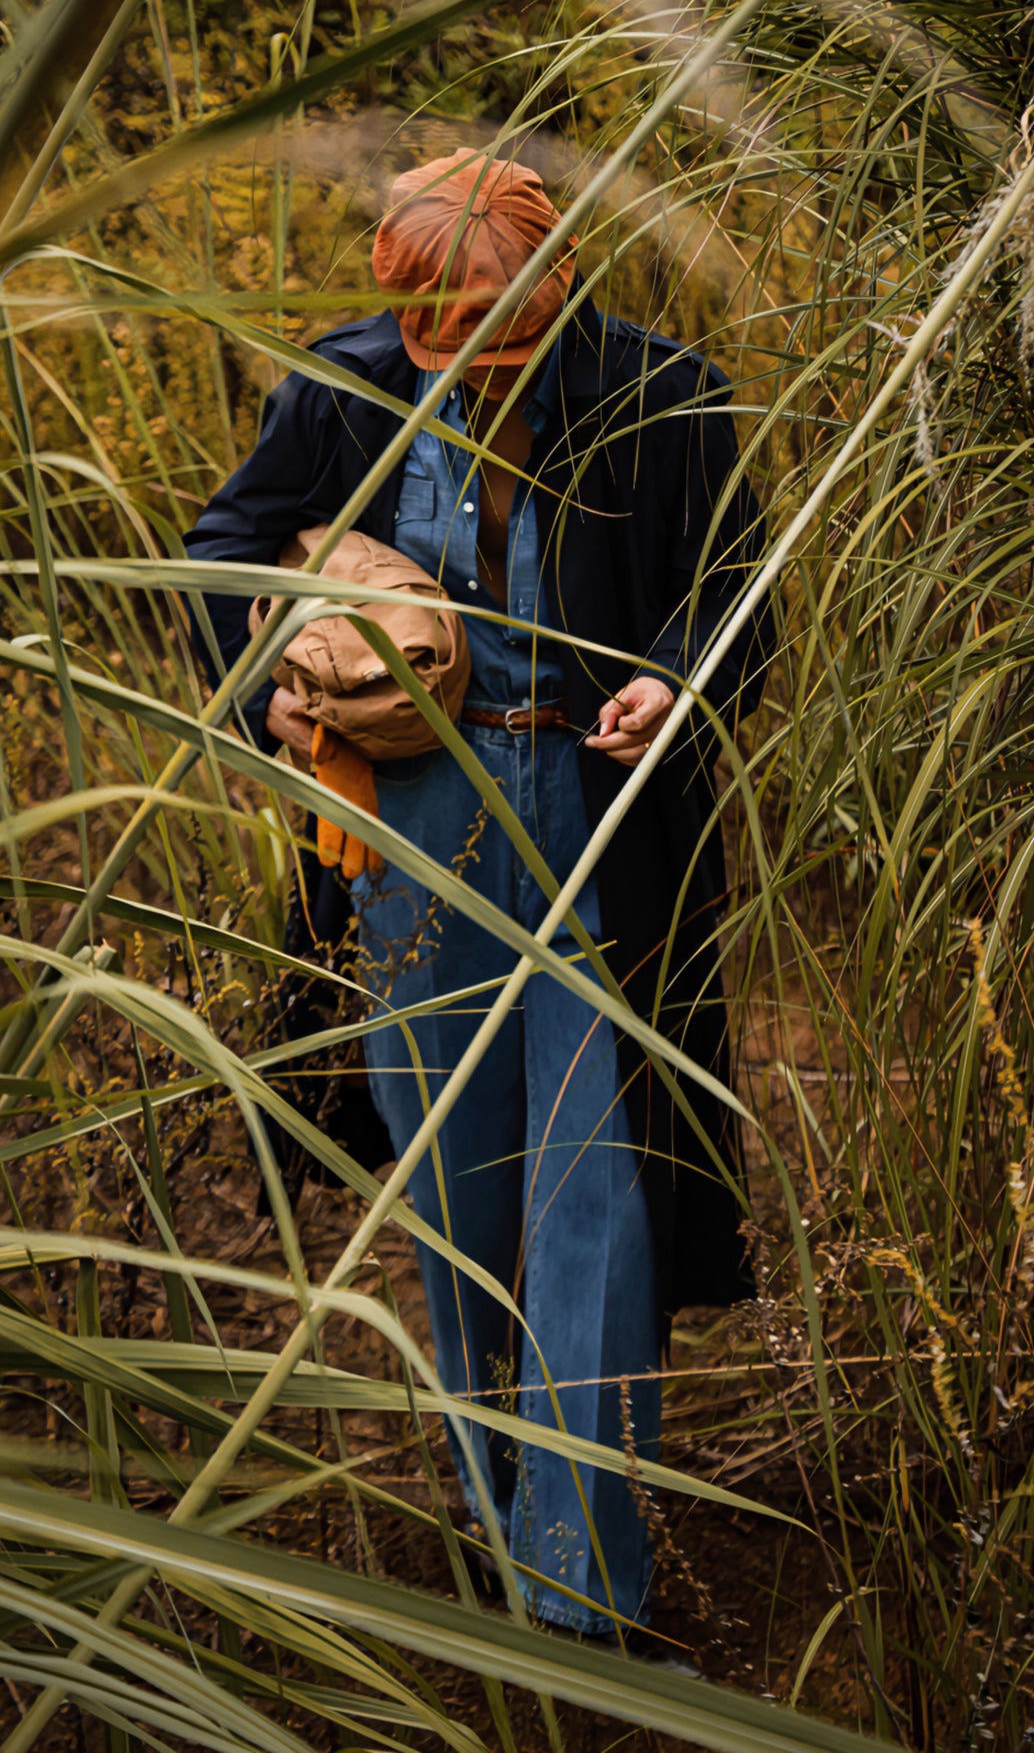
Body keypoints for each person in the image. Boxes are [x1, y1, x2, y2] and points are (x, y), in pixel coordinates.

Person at [185, 148, 773, 1643]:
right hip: (408, 824)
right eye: (437, 332)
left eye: (495, 325)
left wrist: (669, 683)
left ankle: (578, 1580)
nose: (465, 357)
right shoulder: (341, 388)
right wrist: (280, 684)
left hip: (592, 820)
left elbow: (735, 586)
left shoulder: (660, 392)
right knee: (456, 1184)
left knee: (597, 1182)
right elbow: (222, 548)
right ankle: (490, 1490)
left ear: (559, 279)